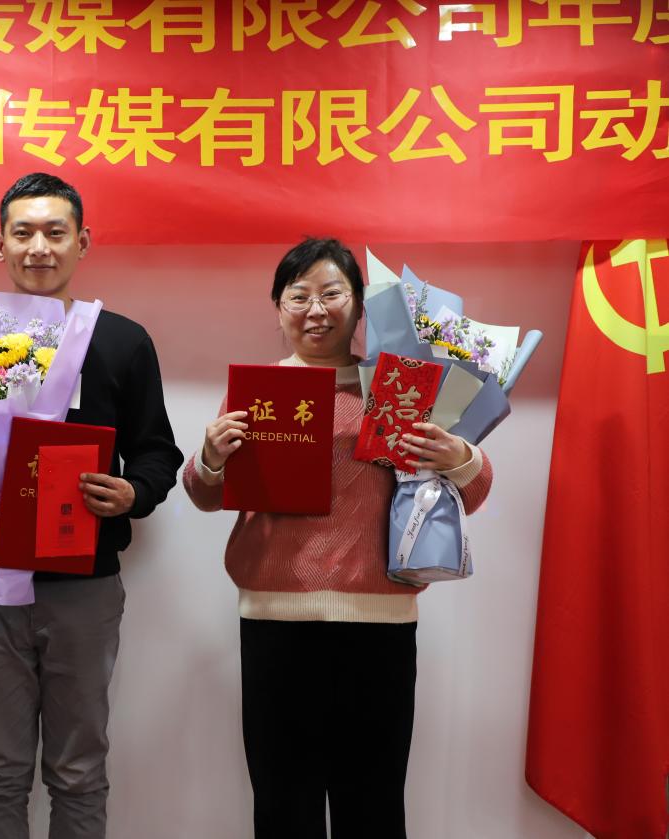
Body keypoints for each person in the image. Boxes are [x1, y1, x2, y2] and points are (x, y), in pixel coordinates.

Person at [181, 238, 493, 839]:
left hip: (380, 624)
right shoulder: (259, 391)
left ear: (360, 305)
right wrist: (211, 456)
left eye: (332, 294)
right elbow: (204, 494)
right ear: (278, 307)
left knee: (372, 803)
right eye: (298, 296)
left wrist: (458, 453)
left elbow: (473, 493)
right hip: (275, 620)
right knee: (282, 802)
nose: (316, 310)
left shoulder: (398, 386)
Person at [0, 172, 183, 839]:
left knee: (78, 768)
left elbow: (157, 453)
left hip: (84, 586)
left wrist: (133, 493)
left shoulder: (120, 340)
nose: (38, 247)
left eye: (55, 232)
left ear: (82, 243)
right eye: (23, 232)